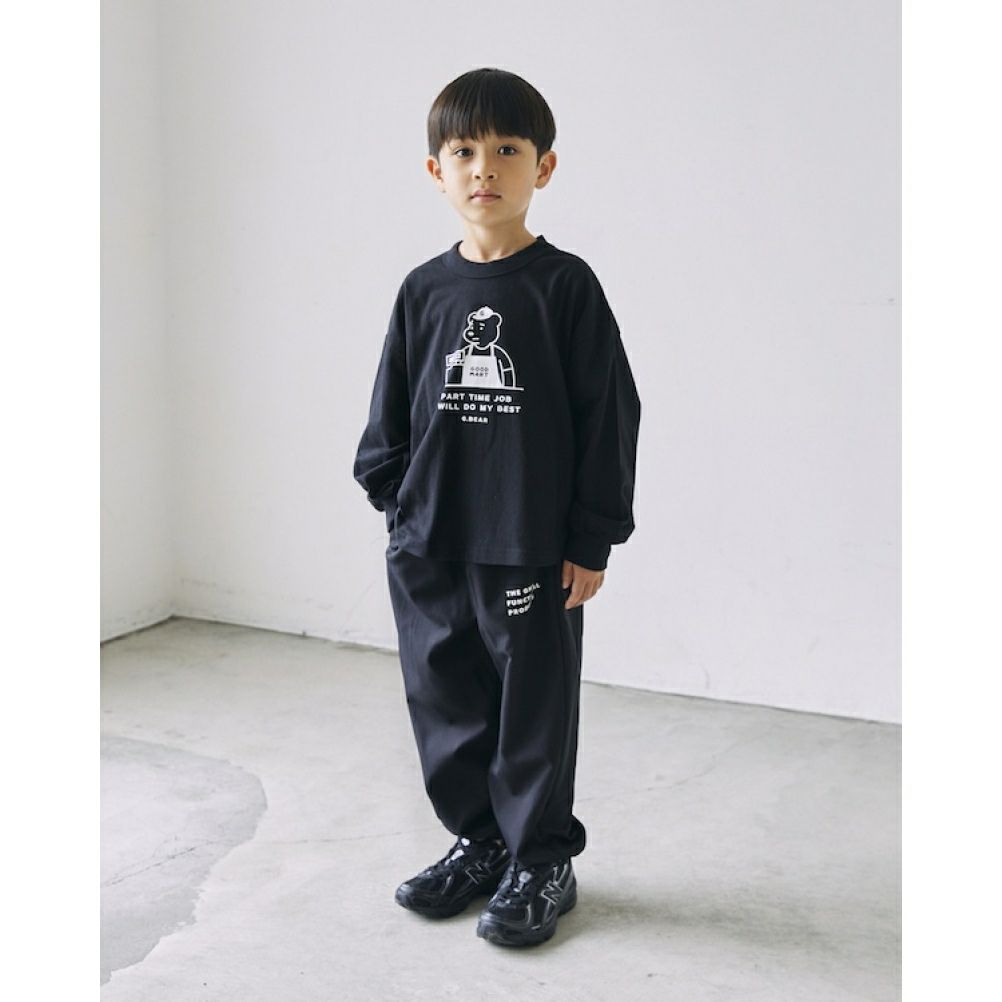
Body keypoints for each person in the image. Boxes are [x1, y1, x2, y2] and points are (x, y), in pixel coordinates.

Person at [352, 67, 641, 948]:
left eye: (507, 149)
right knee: (444, 697)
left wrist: (591, 537)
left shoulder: (565, 286)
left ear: (543, 167)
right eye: (464, 151)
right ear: (435, 171)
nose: (485, 167)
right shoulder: (424, 289)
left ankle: (541, 857)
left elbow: (609, 414)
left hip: (531, 545)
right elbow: (392, 405)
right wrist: (395, 500)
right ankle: (481, 843)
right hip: (432, 539)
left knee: (533, 708)